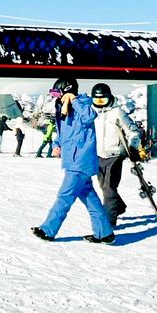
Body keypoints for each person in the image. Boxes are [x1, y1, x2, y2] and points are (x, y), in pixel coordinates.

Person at [32, 77, 114, 244]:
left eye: (57, 93)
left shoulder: (83, 104)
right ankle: (104, 233)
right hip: (73, 160)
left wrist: (73, 99)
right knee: (90, 199)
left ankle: (48, 230)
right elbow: (65, 133)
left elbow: (90, 116)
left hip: (80, 161)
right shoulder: (64, 108)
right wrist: (56, 144)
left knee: (65, 196)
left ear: (67, 90)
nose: (56, 97)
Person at [91, 83, 142, 228]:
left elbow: (134, 131)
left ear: (109, 98)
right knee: (104, 186)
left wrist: (132, 147)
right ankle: (118, 206)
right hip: (98, 155)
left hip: (115, 155)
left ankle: (108, 221)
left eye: (103, 100)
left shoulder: (117, 112)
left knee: (109, 187)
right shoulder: (92, 113)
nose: (100, 104)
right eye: (97, 100)